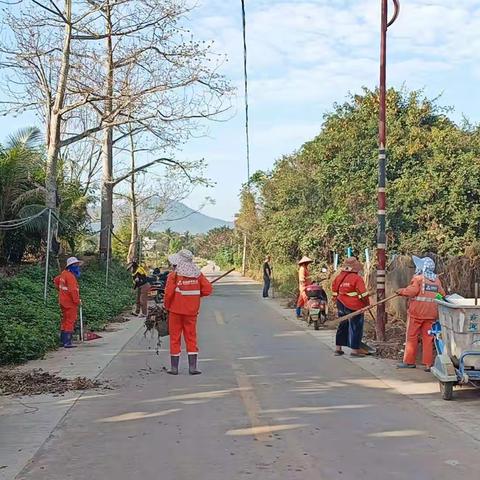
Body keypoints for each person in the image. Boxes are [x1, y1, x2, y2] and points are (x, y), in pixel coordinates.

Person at [164, 249, 213, 375]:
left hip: (175, 311)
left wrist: (167, 307)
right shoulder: (198, 275)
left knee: (175, 338)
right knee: (191, 338)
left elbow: (168, 294)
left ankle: (174, 368)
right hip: (191, 313)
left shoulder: (173, 276)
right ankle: (193, 368)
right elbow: (207, 290)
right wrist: (196, 296)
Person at [396, 256, 446, 372]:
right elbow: (442, 295)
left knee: (411, 336)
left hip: (417, 314)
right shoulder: (436, 281)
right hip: (431, 315)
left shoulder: (418, 279)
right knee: (428, 338)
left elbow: (412, 291)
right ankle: (428, 364)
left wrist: (401, 291)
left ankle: (409, 362)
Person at [332, 257, 369, 357]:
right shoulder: (357, 278)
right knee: (356, 326)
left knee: (342, 325)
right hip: (354, 305)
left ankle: (338, 349)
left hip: (340, 303)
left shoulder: (339, 277)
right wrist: (367, 304)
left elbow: (334, 291)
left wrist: (337, 301)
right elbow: (363, 294)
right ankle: (354, 351)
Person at [54, 257, 82, 348]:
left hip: (62, 301)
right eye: (76, 265)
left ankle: (62, 340)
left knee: (65, 320)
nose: (77, 267)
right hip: (70, 303)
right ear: (71, 266)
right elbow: (73, 290)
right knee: (70, 320)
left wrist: (61, 292)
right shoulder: (70, 277)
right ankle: (67, 342)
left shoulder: (63, 274)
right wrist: (77, 301)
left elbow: (56, 281)